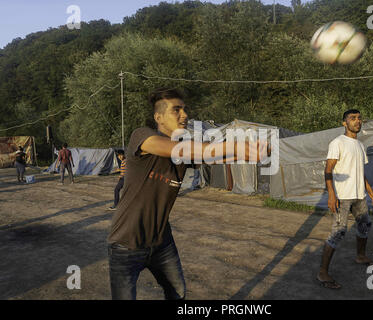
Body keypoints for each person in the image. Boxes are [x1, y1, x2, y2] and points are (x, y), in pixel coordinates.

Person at [107, 88, 266, 300]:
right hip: (126, 243)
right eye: (176, 110)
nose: (184, 115)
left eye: (184, 109)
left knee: (177, 293)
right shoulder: (142, 136)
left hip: (162, 241)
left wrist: (247, 153)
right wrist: (236, 144)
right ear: (158, 117)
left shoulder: (183, 149)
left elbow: (213, 157)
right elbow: (186, 151)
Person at [317, 109, 373, 290]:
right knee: (338, 232)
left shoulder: (360, 145)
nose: (357, 121)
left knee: (364, 225)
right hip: (343, 197)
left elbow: (360, 173)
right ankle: (322, 272)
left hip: (359, 196)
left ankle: (360, 256)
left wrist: (370, 192)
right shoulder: (337, 143)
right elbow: (328, 169)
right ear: (344, 123)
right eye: (352, 119)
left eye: (359, 118)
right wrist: (331, 194)